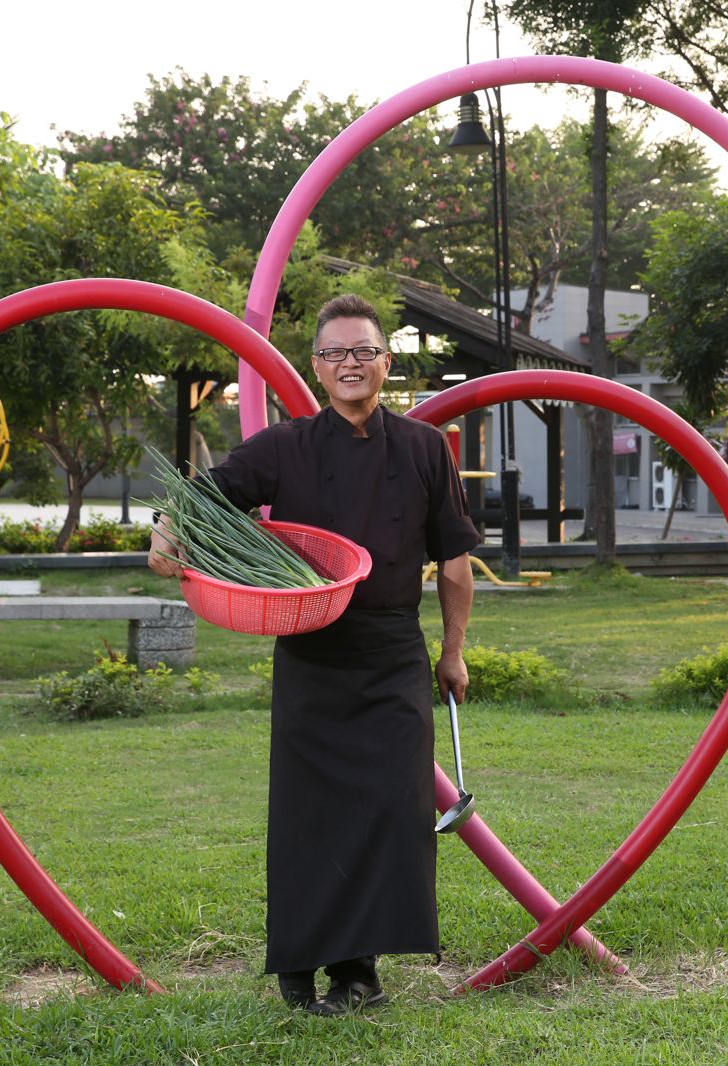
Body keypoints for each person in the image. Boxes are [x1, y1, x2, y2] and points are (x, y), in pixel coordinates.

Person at [148, 293, 479, 1016]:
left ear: (386, 362)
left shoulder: (425, 448)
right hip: (312, 653)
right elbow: (204, 495)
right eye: (335, 353)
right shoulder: (284, 447)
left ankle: (359, 976)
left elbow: (455, 563)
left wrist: (453, 652)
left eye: (364, 350)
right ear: (317, 367)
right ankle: (299, 962)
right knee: (309, 815)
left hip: (393, 653)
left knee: (389, 811)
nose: (350, 363)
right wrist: (168, 530)